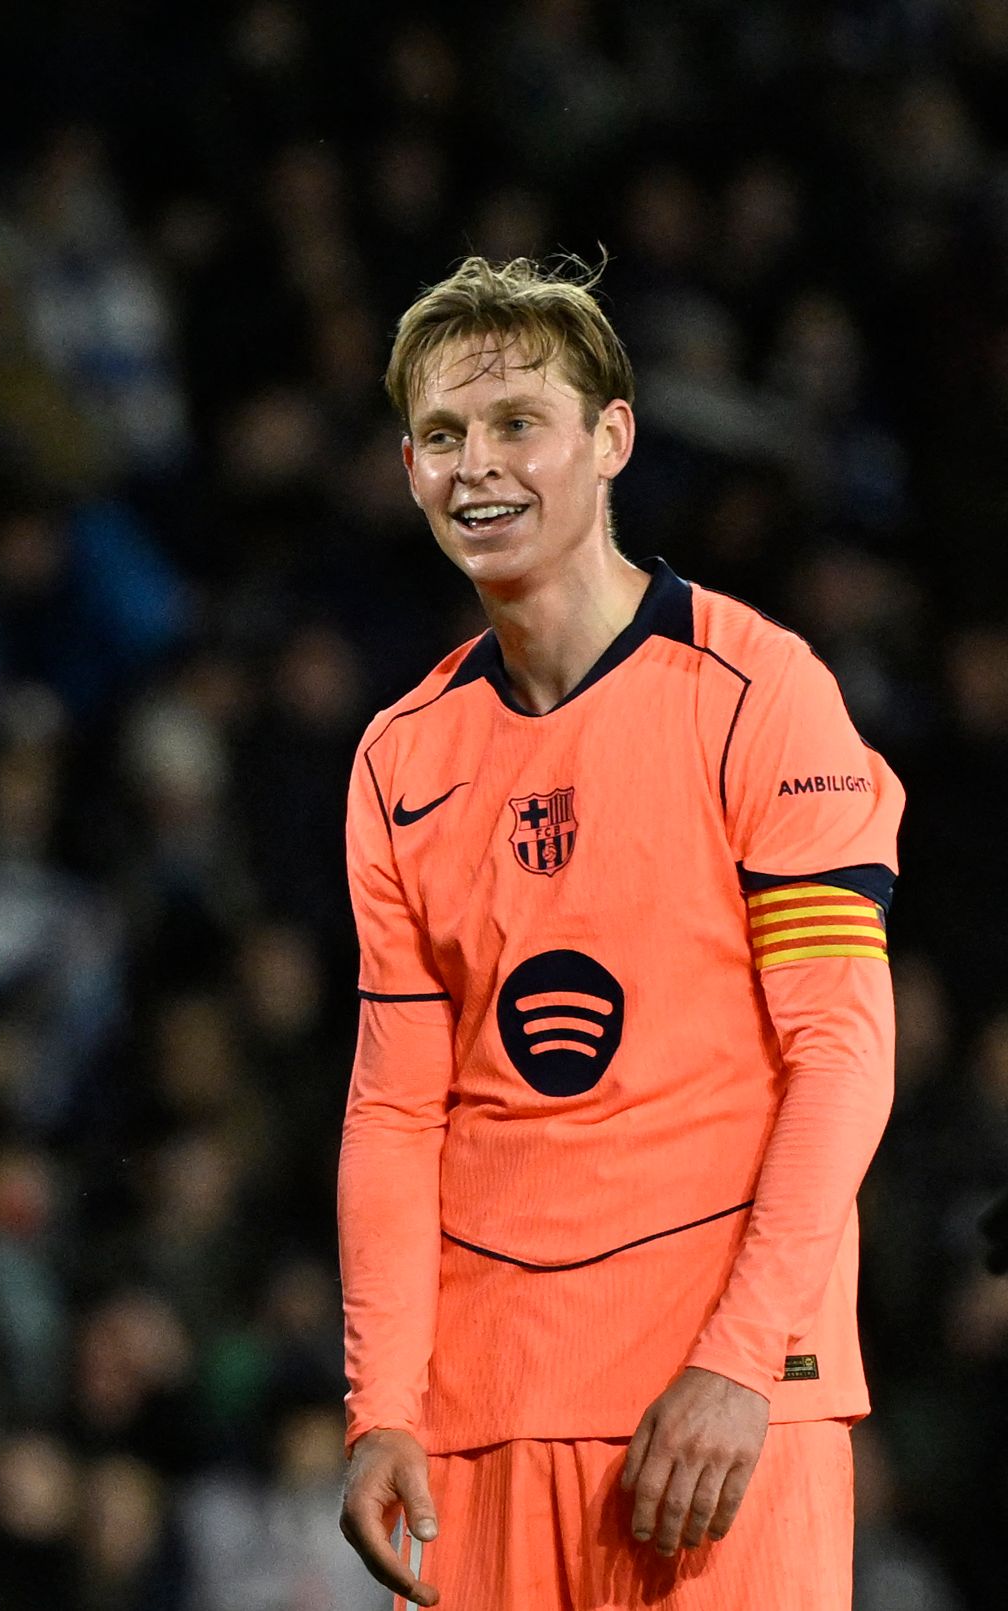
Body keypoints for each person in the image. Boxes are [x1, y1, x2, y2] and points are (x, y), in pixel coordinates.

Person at [335, 256, 900, 1610]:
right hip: (483, 1418)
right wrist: (381, 1409)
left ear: (612, 441)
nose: (480, 468)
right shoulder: (399, 757)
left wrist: (744, 1362)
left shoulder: (762, 693)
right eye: (445, 436)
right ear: (410, 468)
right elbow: (397, 1113)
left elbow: (842, 1055)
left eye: (519, 423)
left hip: (718, 1407)